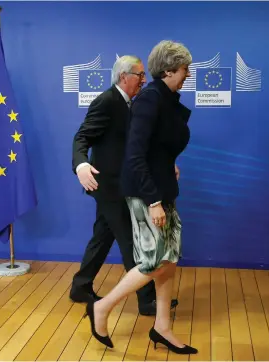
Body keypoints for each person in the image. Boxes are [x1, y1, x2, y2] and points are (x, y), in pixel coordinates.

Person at [83, 40, 197, 355]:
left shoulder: (165, 99)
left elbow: (153, 146)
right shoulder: (150, 100)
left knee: (168, 261)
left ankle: (161, 326)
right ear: (170, 69)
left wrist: (167, 162)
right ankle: (102, 307)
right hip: (148, 194)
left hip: (160, 188)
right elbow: (134, 155)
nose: (188, 73)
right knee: (151, 261)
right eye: (185, 68)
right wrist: (154, 201)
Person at [71, 55, 178, 316]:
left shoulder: (130, 102)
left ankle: (80, 286)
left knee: (102, 236)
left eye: (143, 75)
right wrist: (81, 165)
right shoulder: (106, 101)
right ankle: (146, 300)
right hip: (108, 186)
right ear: (123, 77)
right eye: (139, 75)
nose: (144, 80)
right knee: (131, 241)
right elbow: (82, 136)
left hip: (122, 184)